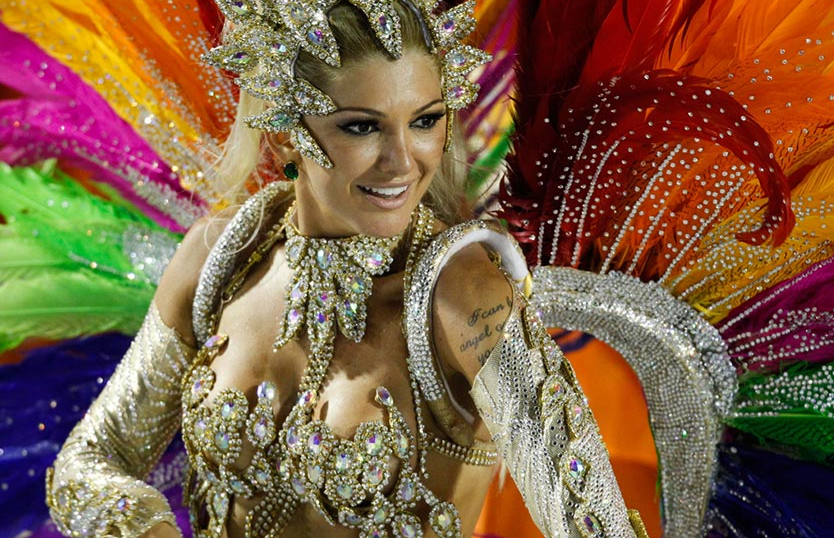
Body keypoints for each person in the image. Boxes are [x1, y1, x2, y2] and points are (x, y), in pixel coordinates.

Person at [42, 1, 647, 537]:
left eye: (425, 120)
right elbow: (89, 460)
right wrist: (144, 525)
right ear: (284, 136)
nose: (403, 162)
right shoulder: (221, 258)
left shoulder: (463, 296)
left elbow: (596, 524)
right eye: (362, 126)